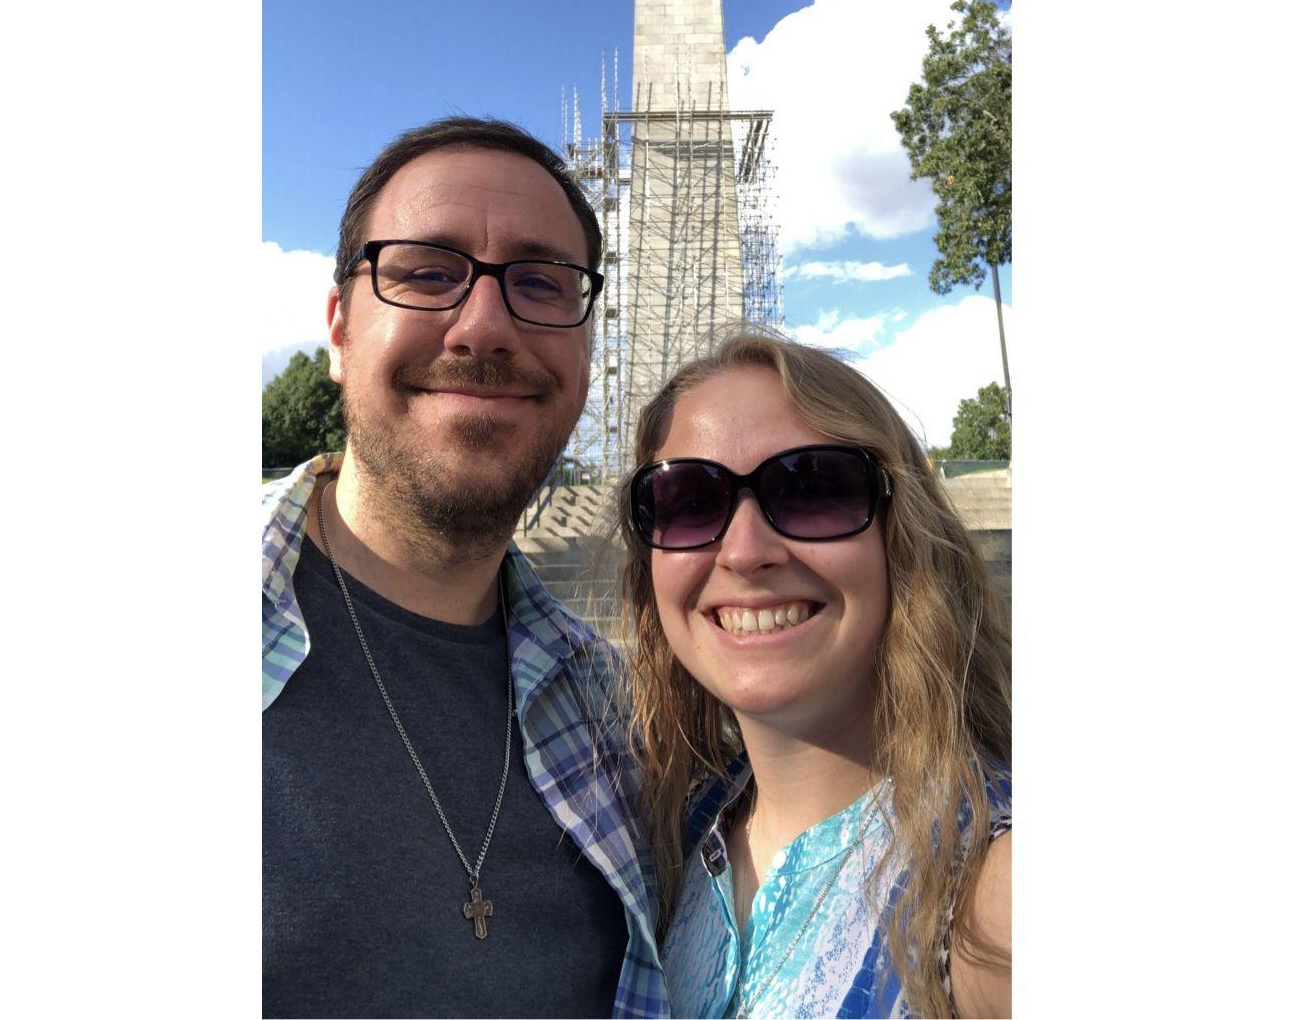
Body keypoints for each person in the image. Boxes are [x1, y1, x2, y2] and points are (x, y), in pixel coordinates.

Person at [262, 117, 668, 1019]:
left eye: (541, 282)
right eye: (426, 270)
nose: (483, 327)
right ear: (339, 326)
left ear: (587, 349)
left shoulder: (615, 715)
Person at [617, 331, 1012, 1018]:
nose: (744, 551)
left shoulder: (995, 901)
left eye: (812, 490)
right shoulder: (658, 846)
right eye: (689, 501)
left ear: (902, 533)